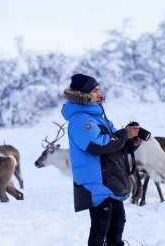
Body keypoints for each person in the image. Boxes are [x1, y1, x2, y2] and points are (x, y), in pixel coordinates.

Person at [61, 73, 142, 246]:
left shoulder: (98, 118)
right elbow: (97, 145)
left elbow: (114, 145)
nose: (99, 94)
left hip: (109, 179)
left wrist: (130, 142)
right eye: (95, 91)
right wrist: (123, 134)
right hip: (95, 181)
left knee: (118, 221)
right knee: (100, 226)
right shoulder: (80, 119)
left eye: (99, 90)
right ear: (82, 94)